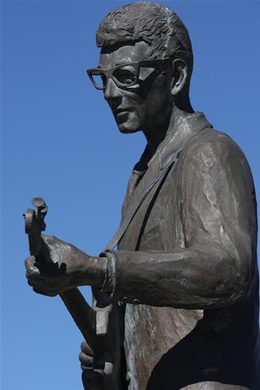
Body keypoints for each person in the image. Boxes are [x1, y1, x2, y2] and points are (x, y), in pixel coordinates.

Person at [25, 2, 259, 389]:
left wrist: (98, 269)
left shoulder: (209, 151)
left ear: (177, 75)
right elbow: (142, 312)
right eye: (103, 78)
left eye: (126, 76)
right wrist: (100, 333)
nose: (110, 94)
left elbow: (228, 269)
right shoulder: (141, 177)